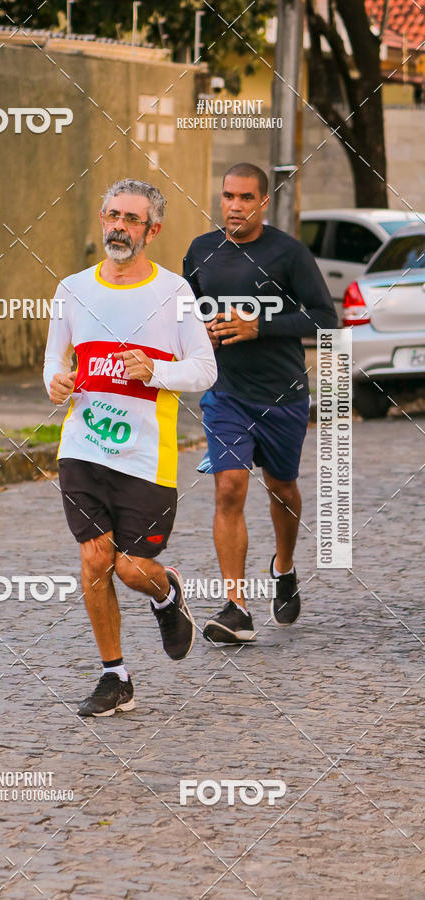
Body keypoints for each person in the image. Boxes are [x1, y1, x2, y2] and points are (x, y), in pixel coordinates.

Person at [44, 178, 217, 716]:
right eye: (112, 215)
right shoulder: (72, 288)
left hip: (146, 453)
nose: (119, 226)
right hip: (83, 447)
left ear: (153, 230)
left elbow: (206, 369)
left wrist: (158, 370)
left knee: (129, 567)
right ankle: (114, 675)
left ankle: (167, 595)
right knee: (95, 558)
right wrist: (56, 381)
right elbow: (55, 360)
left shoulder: (175, 294)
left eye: (132, 219)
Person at [183, 162, 337, 644]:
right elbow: (183, 313)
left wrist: (260, 327)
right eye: (228, 196)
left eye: (246, 198)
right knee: (229, 487)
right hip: (226, 393)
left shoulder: (288, 254)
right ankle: (235, 607)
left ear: (263, 202)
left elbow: (326, 320)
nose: (234, 206)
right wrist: (196, 334)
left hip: (283, 395)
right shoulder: (201, 251)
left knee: (282, 488)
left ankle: (285, 568)